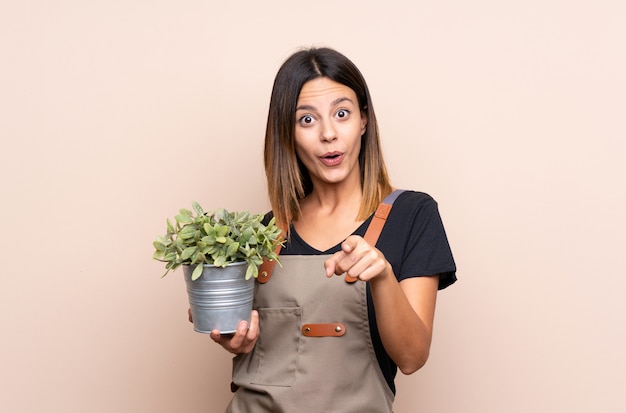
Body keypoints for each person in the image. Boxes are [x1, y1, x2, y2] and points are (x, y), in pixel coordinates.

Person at [205, 47, 457, 412]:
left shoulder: (412, 214)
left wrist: (382, 275)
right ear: (287, 133)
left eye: (342, 114)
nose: (328, 134)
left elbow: (412, 357)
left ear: (364, 120)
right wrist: (232, 334)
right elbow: (248, 341)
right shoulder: (264, 233)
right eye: (306, 120)